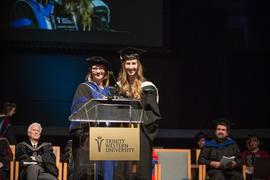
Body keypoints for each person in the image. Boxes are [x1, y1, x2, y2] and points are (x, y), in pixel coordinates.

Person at [117, 47, 161, 180]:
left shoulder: (147, 87)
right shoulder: (118, 88)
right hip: (122, 135)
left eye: (134, 63)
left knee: (140, 171)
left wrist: (138, 123)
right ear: (124, 65)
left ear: (138, 65)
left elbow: (153, 113)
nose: (131, 67)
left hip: (141, 133)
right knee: (122, 171)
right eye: (128, 63)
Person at [69, 56, 114, 180]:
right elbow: (79, 110)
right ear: (90, 71)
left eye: (101, 68)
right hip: (89, 137)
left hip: (109, 139)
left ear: (106, 72)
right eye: (95, 68)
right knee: (90, 172)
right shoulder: (84, 88)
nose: (98, 71)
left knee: (107, 172)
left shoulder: (112, 91)